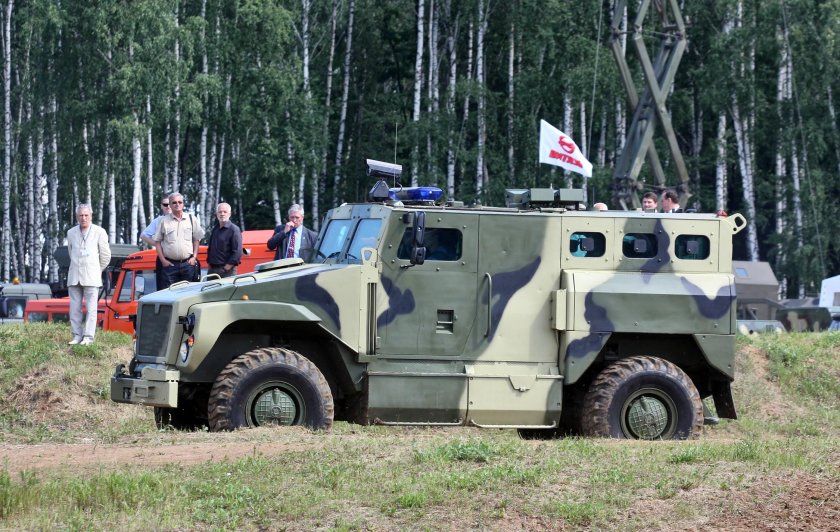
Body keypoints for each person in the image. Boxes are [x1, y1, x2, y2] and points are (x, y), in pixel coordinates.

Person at [66, 203, 111, 345]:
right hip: (74, 276)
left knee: (92, 309)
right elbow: (71, 252)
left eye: (86, 215)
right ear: (77, 217)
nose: (83, 218)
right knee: (74, 308)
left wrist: (97, 270)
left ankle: (88, 337)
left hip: (92, 276)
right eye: (81, 215)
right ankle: (76, 335)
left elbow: (105, 256)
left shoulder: (99, 232)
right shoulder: (71, 232)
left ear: (91, 216)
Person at [153, 192, 205, 289]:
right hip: (170, 266)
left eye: (180, 202)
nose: (177, 204)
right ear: (170, 205)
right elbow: (157, 242)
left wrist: (194, 257)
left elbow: (197, 239)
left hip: (188, 264)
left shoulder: (191, 219)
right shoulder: (164, 221)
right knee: (169, 294)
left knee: (189, 293)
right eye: (174, 202)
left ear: (183, 204)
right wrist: (163, 260)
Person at [140, 194, 172, 291]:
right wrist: (158, 245)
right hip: (164, 257)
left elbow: (197, 236)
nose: (168, 207)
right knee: (163, 290)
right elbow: (144, 235)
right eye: (165, 204)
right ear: (161, 206)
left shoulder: (184, 218)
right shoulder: (158, 221)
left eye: (170, 204)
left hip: (182, 260)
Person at [206, 202, 242, 278]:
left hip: (227, 271)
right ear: (217, 214)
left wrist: (226, 268)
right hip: (212, 270)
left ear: (230, 214)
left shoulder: (234, 230)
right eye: (220, 212)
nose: (222, 214)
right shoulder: (215, 229)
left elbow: (237, 252)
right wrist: (209, 264)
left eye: (225, 212)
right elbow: (210, 248)